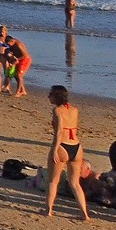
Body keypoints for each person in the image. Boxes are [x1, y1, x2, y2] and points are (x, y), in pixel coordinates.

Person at [44, 85, 90, 221]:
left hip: (62, 146)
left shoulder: (57, 110)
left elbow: (58, 132)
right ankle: (84, 213)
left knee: (53, 181)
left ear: (56, 96)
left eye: (50, 94)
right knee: (75, 183)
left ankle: (48, 210)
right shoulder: (75, 110)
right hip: (76, 146)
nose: (48, 96)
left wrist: (54, 150)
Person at [4, 33, 31, 97]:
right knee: (16, 75)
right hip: (18, 59)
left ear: (12, 41)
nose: (9, 45)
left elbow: (24, 55)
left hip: (24, 60)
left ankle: (18, 92)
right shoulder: (12, 45)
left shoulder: (18, 45)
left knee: (19, 75)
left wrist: (17, 59)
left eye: (9, 44)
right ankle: (23, 90)